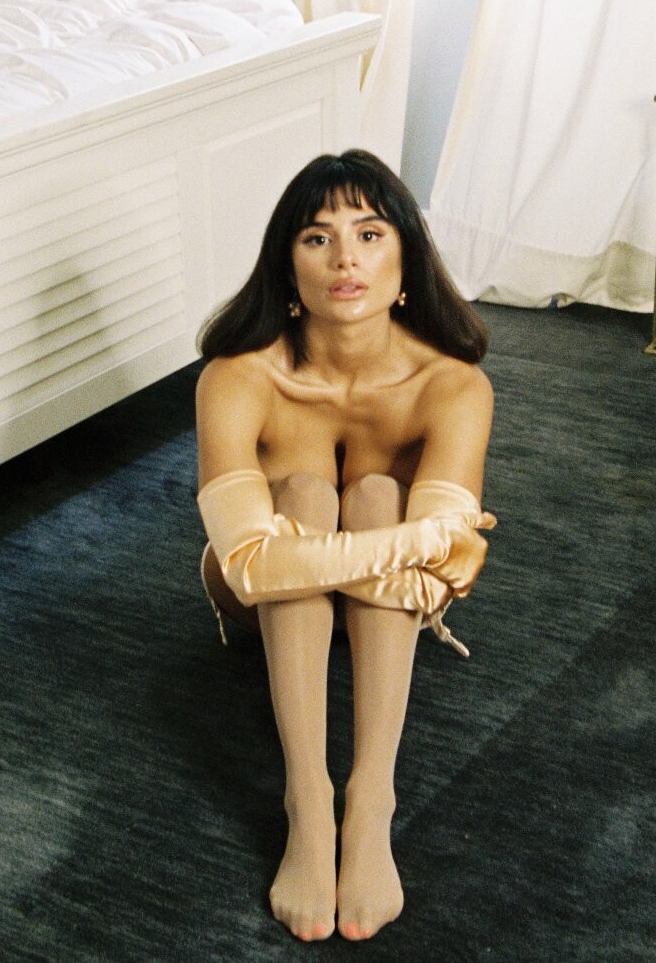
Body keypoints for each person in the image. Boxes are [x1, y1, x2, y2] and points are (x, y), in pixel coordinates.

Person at [194, 149, 497, 943]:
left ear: (405, 260)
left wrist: (405, 542)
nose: (344, 259)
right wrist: (422, 543)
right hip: (260, 595)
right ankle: (307, 798)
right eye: (317, 237)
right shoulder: (237, 376)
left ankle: (369, 801)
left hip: (386, 597)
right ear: (286, 265)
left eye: (369, 233)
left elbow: (432, 585)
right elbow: (250, 567)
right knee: (302, 494)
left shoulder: (452, 384)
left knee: (373, 496)